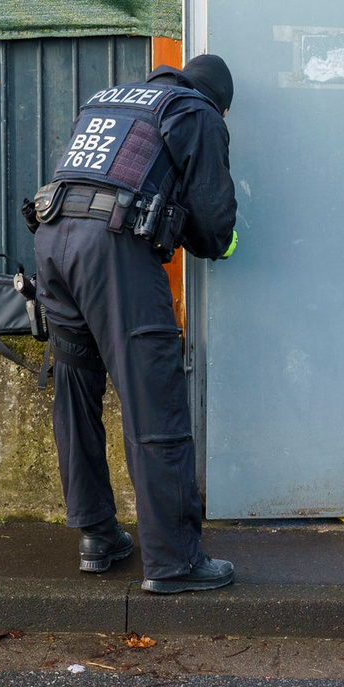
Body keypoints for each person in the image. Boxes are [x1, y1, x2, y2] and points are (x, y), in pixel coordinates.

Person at [31, 54, 238, 594]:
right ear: (219, 99)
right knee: (155, 398)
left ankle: (97, 536)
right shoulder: (196, 110)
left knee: (75, 394)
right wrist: (216, 243)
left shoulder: (106, 101)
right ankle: (174, 562)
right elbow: (214, 222)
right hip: (113, 253)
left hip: (53, 242)